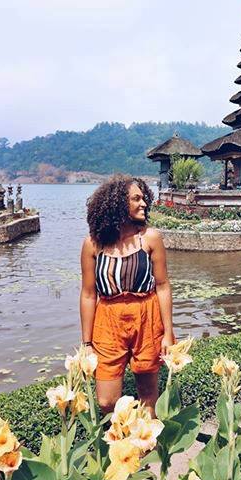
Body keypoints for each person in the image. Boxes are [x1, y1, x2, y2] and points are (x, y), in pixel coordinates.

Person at [80, 175, 175, 416]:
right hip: (108, 320)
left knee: (147, 397)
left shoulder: (150, 238)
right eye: (136, 199)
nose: (143, 204)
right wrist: (87, 343)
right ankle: (120, 444)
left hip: (146, 316)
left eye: (144, 198)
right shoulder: (93, 244)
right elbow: (89, 294)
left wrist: (168, 332)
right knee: (106, 401)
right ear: (117, 203)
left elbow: (162, 285)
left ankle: (147, 449)